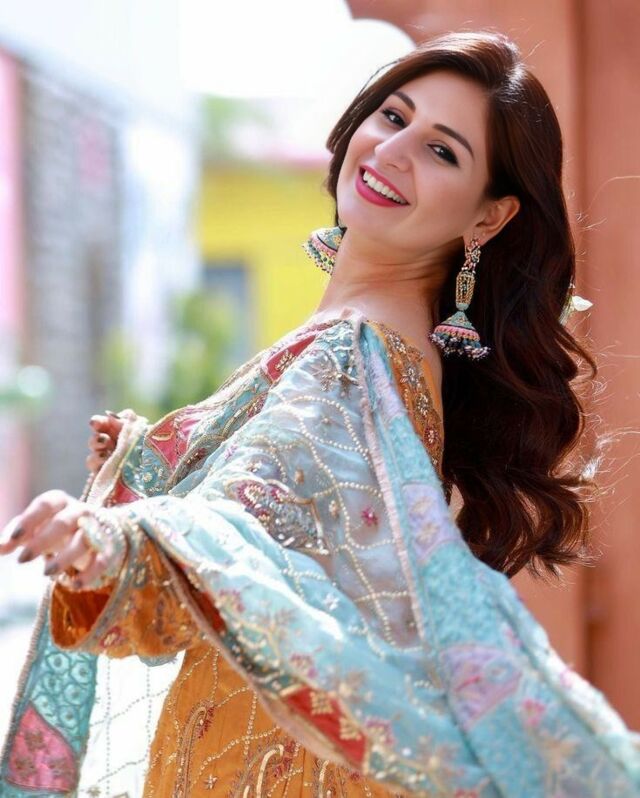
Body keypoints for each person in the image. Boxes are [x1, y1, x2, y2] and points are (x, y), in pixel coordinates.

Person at [0, 29, 638, 798]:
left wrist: (111, 539)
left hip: (262, 766)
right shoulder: (388, 344)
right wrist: (151, 463)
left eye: (442, 152)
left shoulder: (354, 350)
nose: (393, 152)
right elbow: (296, 518)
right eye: (394, 116)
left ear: (488, 218)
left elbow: (244, 522)